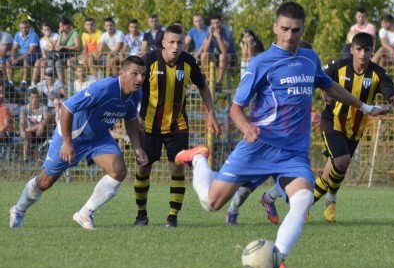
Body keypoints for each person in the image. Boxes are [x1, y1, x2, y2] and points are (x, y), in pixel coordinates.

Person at [180, 2, 390, 268]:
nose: (290, 35)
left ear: (302, 30)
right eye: (285, 29)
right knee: (212, 203)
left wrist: (366, 107)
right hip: (258, 146)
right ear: (275, 28)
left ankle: (276, 256)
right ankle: (198, 159)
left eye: (296, 30)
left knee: (302, 200)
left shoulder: (309, 58)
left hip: (292, 153)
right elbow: (235, 108)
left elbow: (331, 87)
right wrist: (245, 127)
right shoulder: (260, 63)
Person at [227, 32, 394, 224]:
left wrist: (391, 98)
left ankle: (276, 201)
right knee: (252, 178)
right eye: (359, 49)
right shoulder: (272, 68)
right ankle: (233, 210)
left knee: (307, 174)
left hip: (304, 134)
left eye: (366, 50)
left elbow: (317, 87)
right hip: (271, 132)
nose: (362, 54)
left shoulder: (308, 73)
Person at [9, 56, 147, 229]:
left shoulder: (136, 94)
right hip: (73, 135)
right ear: (121, 74)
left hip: (98, 138)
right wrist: (67, 143)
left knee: (118, 171)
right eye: (135, 74)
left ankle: (86, 213)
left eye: (142, 74)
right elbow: (67, 107)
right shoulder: (103, 88)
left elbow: (131, 117)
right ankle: (18, 210)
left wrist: (137, 147)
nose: (139, 79)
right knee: (45, 181)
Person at [133, 24, 221, 228]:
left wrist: (211, 114)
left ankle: (172, 218)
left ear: (184, 44)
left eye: (179, 42)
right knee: (144, 167)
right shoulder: (149, 61)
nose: (175, 46)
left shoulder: (189, 62)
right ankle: (141, 215)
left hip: (177, 126)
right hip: (148, 125)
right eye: (171, 42)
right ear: (163, 43)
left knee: (177, 169)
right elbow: (132, 86)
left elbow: (203, 87)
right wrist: (133, 114)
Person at [200, 15, 238, 91]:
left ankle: (218, 82)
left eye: (217, 23)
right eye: (213, 23)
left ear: (221, 23)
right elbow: (205, 49)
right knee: (204, 55)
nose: (216, 25)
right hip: (218, 56)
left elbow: (224, 50)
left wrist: (217, 36)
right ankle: (208, 81)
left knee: (223, 56)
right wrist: (210, 36)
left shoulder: (227, 33)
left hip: (231, 57)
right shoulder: (209, 31)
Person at [19, 89, 51, 163]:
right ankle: (25, 159)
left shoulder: (43, 107)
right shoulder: (24, 108)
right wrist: (21, 130)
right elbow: (21, 122)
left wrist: (41, 125)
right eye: (32, 97)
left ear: (39, 98)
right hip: (30, 133)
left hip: (41, 132)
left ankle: (41, 160)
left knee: (43, 127)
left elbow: (47, 118)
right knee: (26, 136)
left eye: (36, 97)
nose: (34, 100)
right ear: (29, 98)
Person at [9, 21, 40, 88]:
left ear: (29, 28)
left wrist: (18, 58)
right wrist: (12, 57)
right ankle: (10, 82)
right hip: (21, 54)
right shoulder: (17, 35)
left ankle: (24, 82)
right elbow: (14, 48)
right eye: (21, 28)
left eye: (25, 28)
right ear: (19, 28)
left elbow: (31, 51)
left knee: (26, 59)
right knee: (7, 61)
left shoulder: (33, 35)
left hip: (33, 56)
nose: (23, 29)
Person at [52, 16, 82, 84]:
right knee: (58, 62)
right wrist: (60, 35)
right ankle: (61, 84)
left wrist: (64, 47)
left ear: (68, 25)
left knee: (70, 63)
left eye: (63, 26)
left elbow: (78, 47)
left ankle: (71, 85)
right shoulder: (62, 35)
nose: (61, 28)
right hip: (65, 56)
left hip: (75, 56)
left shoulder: (75, 33)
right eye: (60, 26)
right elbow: (57, 47)